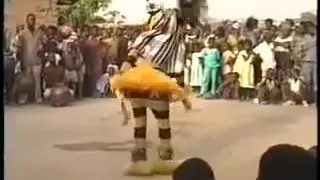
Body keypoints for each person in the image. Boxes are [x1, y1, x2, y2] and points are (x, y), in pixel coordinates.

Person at [17, 13, 44, 103]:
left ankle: (38, 98)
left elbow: (42, 43)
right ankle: (23, 98)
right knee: (25, 80)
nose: (31, 21)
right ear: (27, 21)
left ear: (34, 21)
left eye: (33, 19)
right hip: (26, 60)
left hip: (37, 60)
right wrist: (20, 60)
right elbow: (19, 47)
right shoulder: (22, 33)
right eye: (29, 19)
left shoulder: (39, 32)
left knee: (37, 80)